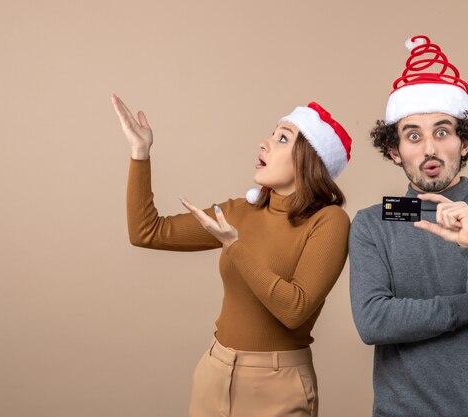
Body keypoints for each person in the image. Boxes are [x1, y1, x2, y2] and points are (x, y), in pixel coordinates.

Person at [111, 94, 352, 417]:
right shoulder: (241, 211)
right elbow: (147, 232)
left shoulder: (329, 221)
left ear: (309, 159)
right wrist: (140, 154)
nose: (264, 143)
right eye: (272, 133)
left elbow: (294, 309)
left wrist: (235, 247)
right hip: (215, 372)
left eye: (282, 138)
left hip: (278, 386)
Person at [349, 35, 468, 417]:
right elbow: (372, 322)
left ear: (463, 142)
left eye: (442, 131)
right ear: (394, 150)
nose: (429, 149)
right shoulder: (373, 223)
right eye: (413, 135)